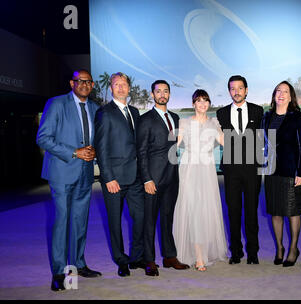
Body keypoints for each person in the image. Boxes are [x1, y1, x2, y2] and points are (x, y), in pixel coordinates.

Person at [36, 69, 101, 291]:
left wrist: (94, 152)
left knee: (80, 221)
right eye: (79, 81)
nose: (84, 84)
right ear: (71, 83)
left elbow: (96, 139)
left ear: (92, 85)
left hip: (84, 174)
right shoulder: (56, 104)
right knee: (62, 222)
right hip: (62, 173)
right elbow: (43, 138)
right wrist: (75, 152)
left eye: (88, 82)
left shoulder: (95, 108)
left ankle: (79, 264)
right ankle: (58, 271)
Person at [136, 80, 190, 276]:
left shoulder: (175, 118)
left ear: (169, 94)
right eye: (158, 91)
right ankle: (149, 260)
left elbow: (176, 146)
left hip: (172, 177)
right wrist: (147, 179)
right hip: (153, 179)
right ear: (152, 94)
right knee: (149, 221)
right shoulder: (145, 119)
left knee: (168, 218)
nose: (162, 94)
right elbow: (141, 152)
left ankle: (169, 256)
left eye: (165, 91)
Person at [94, 72, 145, 277]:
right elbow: (101, 147)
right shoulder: (104, 113)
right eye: (116, 84)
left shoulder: (134, 111)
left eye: (124, 84)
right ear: (111, 88)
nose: (121, 88)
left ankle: (137, 257)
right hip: (114, 179)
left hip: (135, 177)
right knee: (114, 222)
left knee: (140, 217)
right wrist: (108, 177)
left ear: (129, 88)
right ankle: (121, 260)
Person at [173, 89, 227, 271]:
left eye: (206, 100)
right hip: (189, 170)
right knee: (193, 211)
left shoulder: (214, 123)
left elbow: (226, 142)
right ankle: (198, 257)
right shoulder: (185, 123)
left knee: (205, 211)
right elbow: (173, 144)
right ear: (193, 103)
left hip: (207, 171)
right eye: (199, 101)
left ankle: (203, 253)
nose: (203, 104)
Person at [216, 75, 264, 264]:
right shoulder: (221, 113)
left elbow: (262, 138)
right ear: (229, 91)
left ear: (246, 90)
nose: (236, 92)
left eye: (240, 88)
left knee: (251, 211)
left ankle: (253, 252)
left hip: (252, 169)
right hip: (231, 170)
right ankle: (236, 251)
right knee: (233, 211)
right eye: (233, 88)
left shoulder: (258, 111)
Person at [262, 80, 301, 267]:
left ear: (291, 97)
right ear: (274, 96)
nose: (281, 94)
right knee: (275, 212)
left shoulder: (297, 117)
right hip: (271, 171)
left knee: (292, 211)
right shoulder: (267, 117)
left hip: (291, 171)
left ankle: (293, 248)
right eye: (278, 91)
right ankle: (280, 247)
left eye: (285, 91)